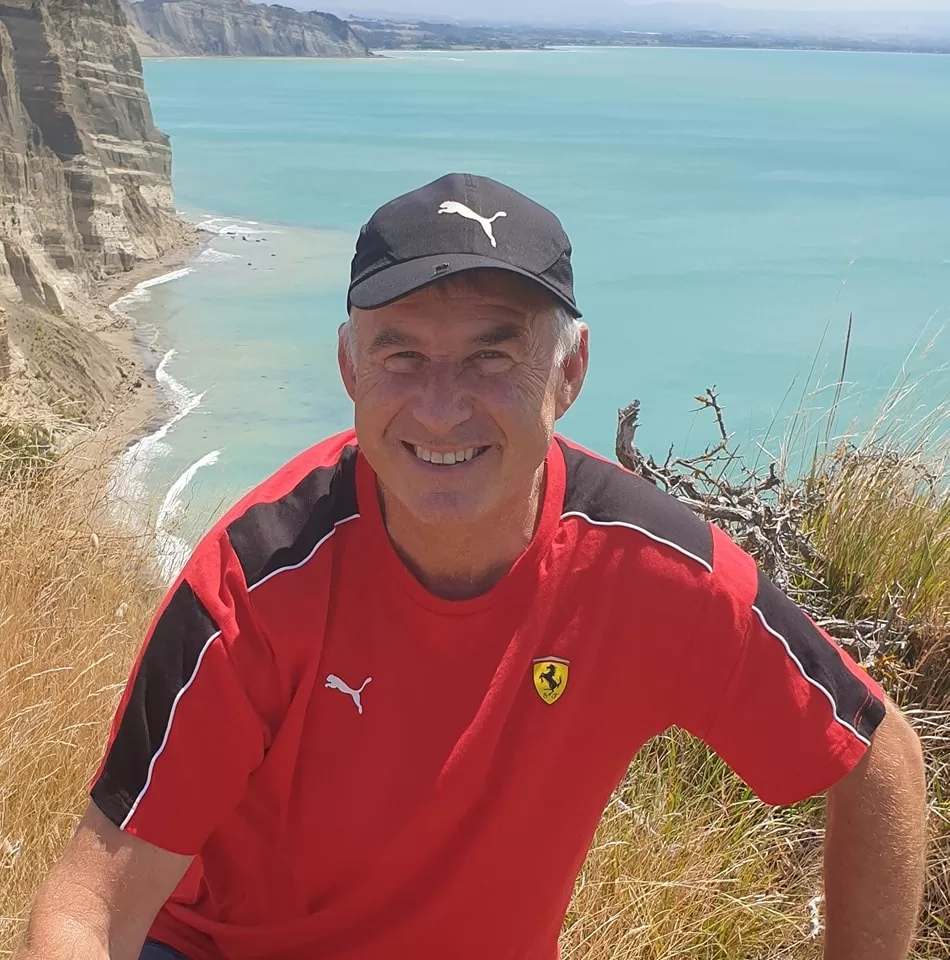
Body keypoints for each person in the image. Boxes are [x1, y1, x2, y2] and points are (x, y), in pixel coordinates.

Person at [16, 174, 926, 960]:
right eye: (400, 354)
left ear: (569, 376)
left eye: (494, 354)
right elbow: (86, 909)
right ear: (349, 369)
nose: (441, 409)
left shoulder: (654, 574)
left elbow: (878, 755)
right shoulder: (256, 585)